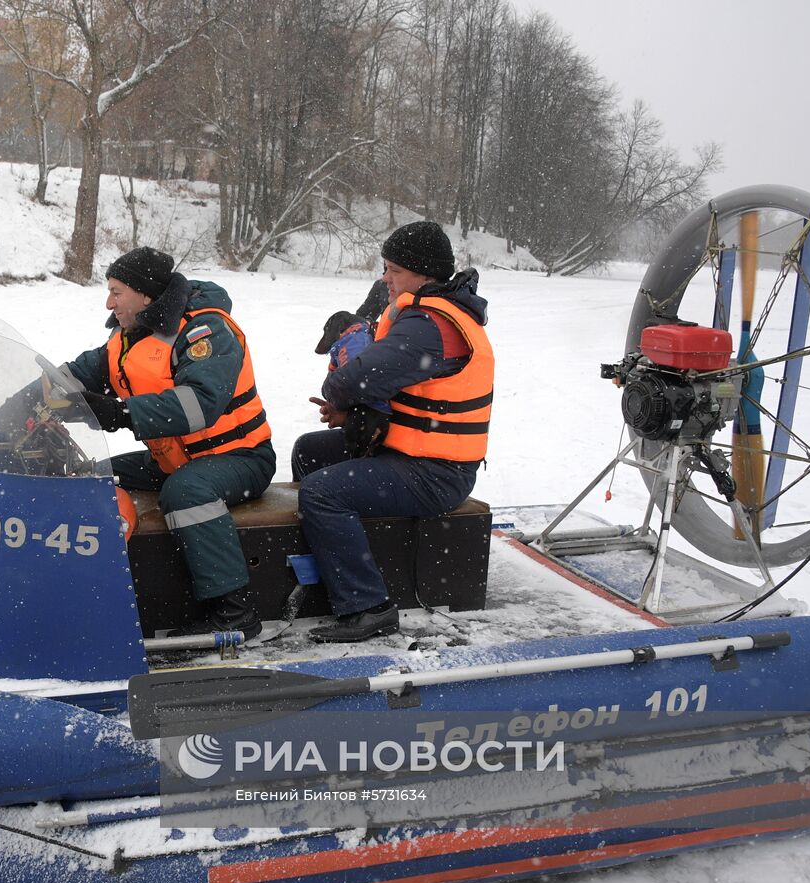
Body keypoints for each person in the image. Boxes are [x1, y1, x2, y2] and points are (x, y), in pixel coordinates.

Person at [54, 246, 276, 638]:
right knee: (97, 475)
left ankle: (235, 611)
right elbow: (74, 375)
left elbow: (199, 405)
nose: (109, 302)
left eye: (116, 291)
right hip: (177, 458)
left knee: (185, 492)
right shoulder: (129, 337)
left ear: (146, 295)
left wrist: (119, 413)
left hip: (240, 457)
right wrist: (15, 406)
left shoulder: (205, 332)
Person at [293, 221, 493, 642]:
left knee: (322, 491)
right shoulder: (425, 313)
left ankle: (369, 606)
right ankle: (327, 573)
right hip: (408, 452)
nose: (385, 277)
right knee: (311, 451)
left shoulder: (428, 326)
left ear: (424, 274)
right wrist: (354, 418)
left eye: (394, 270)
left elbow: (349, 381)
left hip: (436, 473)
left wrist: (345, 397)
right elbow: (402, 396)